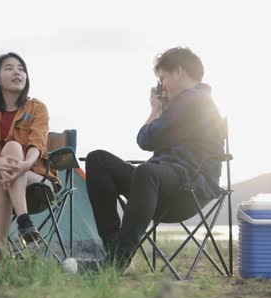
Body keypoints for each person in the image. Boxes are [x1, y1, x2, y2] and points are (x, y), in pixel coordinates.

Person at [78, 47, 224, 272]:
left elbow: (146, 139)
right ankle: (116, 252)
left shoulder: (193, 99)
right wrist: (162, 109)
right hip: (161, 183)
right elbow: (155, 139)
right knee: (98, 160)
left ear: (179, 72)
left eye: (163, 78)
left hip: (188, 187)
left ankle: (117, 261)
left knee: (145, 171)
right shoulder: (188, 103)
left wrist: (155, 110)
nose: (162, 85)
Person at [0, 52, 60, 257]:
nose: (17, 72)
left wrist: (25, 165)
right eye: (9, 68)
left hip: (38, 181)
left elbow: (37, 141)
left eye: (21, 69)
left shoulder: (37, 108)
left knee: (11, 150)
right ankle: (24, 224)